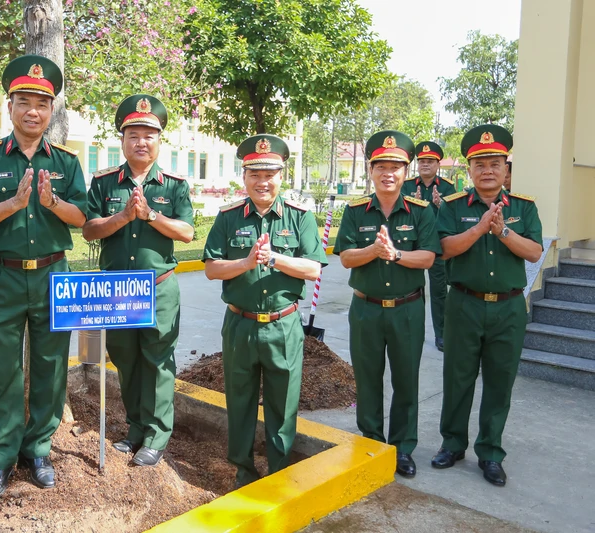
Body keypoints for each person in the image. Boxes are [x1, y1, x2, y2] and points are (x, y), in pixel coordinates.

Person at [0, 55, 87, 505]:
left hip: (54, 273)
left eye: (42, 103)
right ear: (10, 106)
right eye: (24, 102)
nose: (33, 111)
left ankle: (38, 451)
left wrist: (53, 203)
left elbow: (82, 217)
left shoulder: (68, 162)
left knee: (52, 368)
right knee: (5, 371)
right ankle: (1, 458)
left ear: (51, 111)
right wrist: (12, 205)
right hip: (3, 276)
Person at [202, 134, 326, 488]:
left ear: (281, 176)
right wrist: (245, 262)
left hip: (283, 325)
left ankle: (279, 471)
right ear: (244, 177)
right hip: (240, 324)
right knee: (239, 403)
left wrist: (275, 258)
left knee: (282, 404)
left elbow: (313, 268)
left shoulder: (300, 218)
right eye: (255, 174)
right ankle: (243, 470)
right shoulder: (228, 217)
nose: (262, 181)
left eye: (270, 173)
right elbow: (211, 268)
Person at [83, 94, 193, 467]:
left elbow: (187, 233)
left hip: (158, 287)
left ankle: (157, 435)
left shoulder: (174, 185)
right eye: (133, 135)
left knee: (158, 360)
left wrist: (149, 217)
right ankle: (134, 429)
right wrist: (123, 218)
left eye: (149, 134)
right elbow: (88, 229)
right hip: (117, 290)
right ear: (123, 140)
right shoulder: (103, 183)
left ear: (159, 140)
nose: (141, 141)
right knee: (126, 360)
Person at [431, 125, 542, 487]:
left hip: (508, 310)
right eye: (479, 164)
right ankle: (453, 444)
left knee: (499, 383)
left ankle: (491, 452)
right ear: (469, 170)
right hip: (464, 304)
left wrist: (503, 232)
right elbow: (445, 249)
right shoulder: (452, 207)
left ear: (506, 169)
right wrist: (480, 229)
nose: (488, 171)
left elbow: (535, 251)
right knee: (457, 379)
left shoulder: (524, 207)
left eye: (495, 163)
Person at [334, 131, 441, 478]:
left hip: (408, 309)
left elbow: (427, 258)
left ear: (406, 172)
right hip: (365, 308)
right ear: (371, 170)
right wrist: (373, 251)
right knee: (367, 379)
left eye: (396, 167)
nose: (388, 173)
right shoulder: (355, 211)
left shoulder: (422, 212)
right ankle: (372, 441)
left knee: (406, 380)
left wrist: (395, 254)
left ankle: (402, 448)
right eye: (381, 166)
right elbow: (347, 258)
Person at [401, 141, 457, 352]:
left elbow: (453, 218)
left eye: (430, 161)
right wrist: (411, 206)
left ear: (437, 164)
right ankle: (410, 332)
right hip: (412, 246)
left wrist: (440, 206)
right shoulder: (407, 186)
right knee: (410, 289)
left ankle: (441, 334)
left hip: (437, 246)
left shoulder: (447, 187)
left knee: (439, 291)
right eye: (422, 161)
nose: (425, 165)